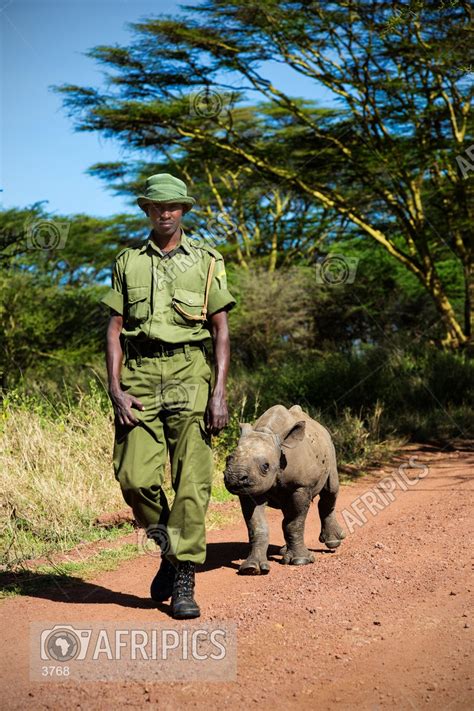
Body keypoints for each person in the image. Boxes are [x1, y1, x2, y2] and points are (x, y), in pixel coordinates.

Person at [100, 173, 236, 619]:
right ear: (146, 211)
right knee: (134, 477)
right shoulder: (126, 262)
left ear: (183, 210)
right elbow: (114, 331)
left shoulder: (207, 260)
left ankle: (184, 577)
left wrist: (218, 392)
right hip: (139, 374)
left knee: (192, 480)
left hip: (189, 372)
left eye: (173, 206)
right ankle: (168, 547)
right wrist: (115, 388)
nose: (165, 212)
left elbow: (220, 330)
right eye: (157, 206)